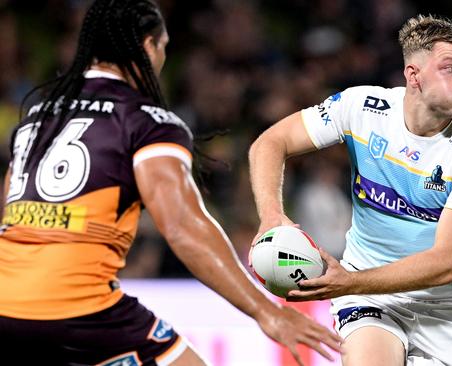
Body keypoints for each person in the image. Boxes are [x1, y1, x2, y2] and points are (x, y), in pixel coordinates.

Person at [0, 1, 341, 365]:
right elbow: (183, 227)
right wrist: (265, 311)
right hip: (79, 307)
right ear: (150, 47)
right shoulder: (147, 122)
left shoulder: (38, 114)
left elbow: (10, 212)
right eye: (163, 47)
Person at [249, 14, 452, 366]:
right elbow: (271, 142)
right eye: (450, 68)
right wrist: (271, 214)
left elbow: (447, 263)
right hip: (369, 300)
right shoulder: (362, 109)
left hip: (442, 310)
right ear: (413, 76)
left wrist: (350, 282)